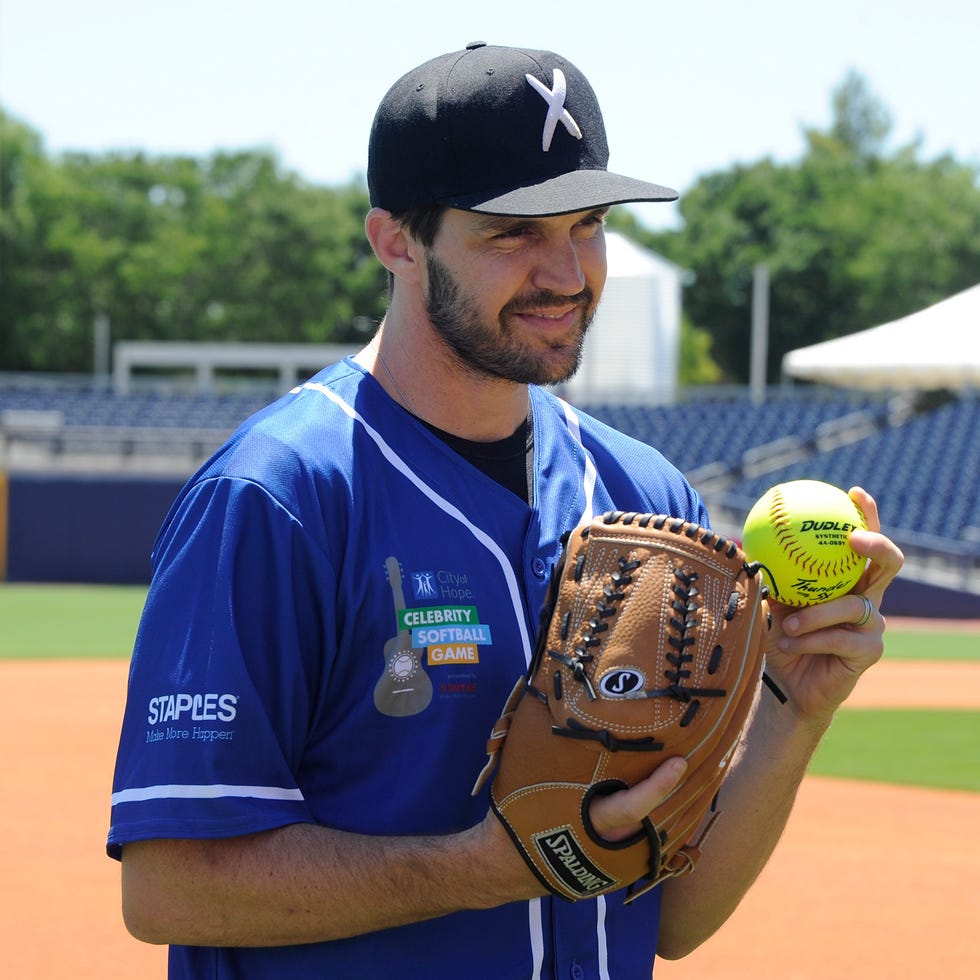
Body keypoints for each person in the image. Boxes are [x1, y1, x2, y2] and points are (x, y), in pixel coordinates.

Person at [108, 41, 904, 978]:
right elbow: (170, 886)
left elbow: (670, 918)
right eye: (513, 233)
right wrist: (481, 870)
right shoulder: (278, 497)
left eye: (588, 223)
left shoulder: (646, 498)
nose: (567, 273)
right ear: (397, 240)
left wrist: (794, 707)